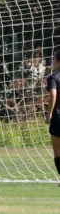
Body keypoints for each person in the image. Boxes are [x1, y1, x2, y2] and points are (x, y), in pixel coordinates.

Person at [45, 47, 60, 185]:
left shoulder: (53, 77)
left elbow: (53, 95)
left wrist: (49, 114)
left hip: (58, 117)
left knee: (57, 150)